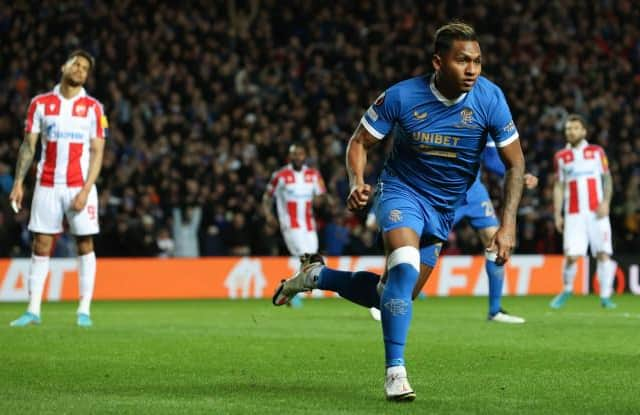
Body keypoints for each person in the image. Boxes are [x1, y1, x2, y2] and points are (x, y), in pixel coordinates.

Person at [272, 22, 525, 401]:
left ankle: (316, 276)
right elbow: (359, 142)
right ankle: (396, 372)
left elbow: (516, 164)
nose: (472, 69)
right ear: (438, 62)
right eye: (462, 61)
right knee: (404, 267)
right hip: (401, 192)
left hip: (442, 209)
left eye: (477, 61)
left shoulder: (490, 99)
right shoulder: (402, 96)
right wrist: (357, 181)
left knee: (392, 294)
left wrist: (507, 225)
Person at [9, 50, 107, 328]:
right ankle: (33, 311)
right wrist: (18, 182)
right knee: (41, 244)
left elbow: (98, 152)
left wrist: (87, 190)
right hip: (47, 185)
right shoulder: (40, 103)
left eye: (85, 68)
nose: (79, 70)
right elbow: (28, 147)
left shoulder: (94, 108)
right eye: (76, 64)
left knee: (85, 243)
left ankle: (84, 310)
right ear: (63, 66)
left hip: (79, 186)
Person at [452, 139, 538, 323]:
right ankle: (386, 295)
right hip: (445, 189)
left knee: (495, 244)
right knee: (418, 240)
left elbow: (491, 160)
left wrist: (519, 175)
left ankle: (495, 310)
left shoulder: (484, 116)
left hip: (474, 190)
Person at [550, 114, 616, 309]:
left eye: (575, 128)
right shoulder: (561, 157)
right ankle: (567, 289)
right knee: (571, 256)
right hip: (574, 214)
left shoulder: (597, 152)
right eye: (568, 129)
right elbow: (559, 186)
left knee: (603, 253)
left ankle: (605, 297)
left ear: (584, 131)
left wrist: (606, 202)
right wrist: (557, 214)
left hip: (597, 212)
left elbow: (607, 179)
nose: (571, 131)